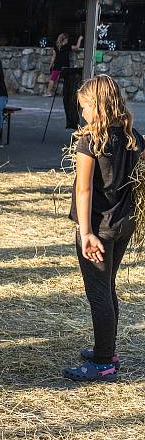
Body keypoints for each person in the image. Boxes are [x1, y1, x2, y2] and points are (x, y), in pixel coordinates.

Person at [63, 75, 144, 382]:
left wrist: (85, 233)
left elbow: (84, 190)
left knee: (99, 293)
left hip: (98, 228)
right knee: (107, 288)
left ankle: (103, 362)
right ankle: (107, 349)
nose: (82, 113)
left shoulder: (89, 142)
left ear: (96, 106)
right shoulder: (132, 136)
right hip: (123, 224)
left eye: (84, 106)